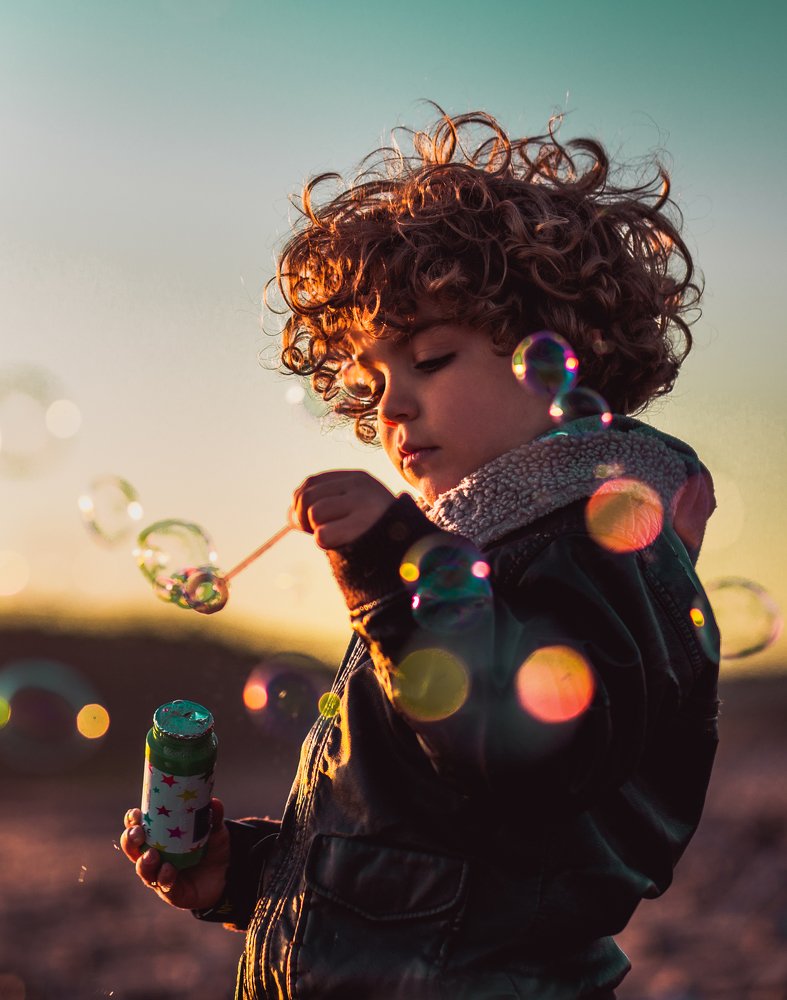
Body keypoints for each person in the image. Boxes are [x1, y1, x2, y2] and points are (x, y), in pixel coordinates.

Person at [121, 109, 720, 999]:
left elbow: (530, 757)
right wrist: (246, 875)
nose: (391, 406)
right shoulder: (484, 549)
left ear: (562, 355)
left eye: (431, 358)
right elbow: (420, 834)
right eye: (373, 380)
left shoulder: (598, 542)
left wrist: (393, 562)